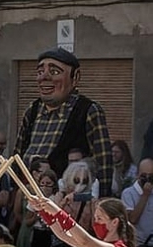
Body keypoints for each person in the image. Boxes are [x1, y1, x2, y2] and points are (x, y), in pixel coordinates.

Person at [14, 48, 114, 197]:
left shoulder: (88, 111)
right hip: (28, 201)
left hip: (66, 205)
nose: (44, 78)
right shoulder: (32, 110)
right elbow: (17, 155)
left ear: (75, 78)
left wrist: (102, 202)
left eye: (54, 72)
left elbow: (103, 164)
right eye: (40, 72)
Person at [121, 159, 153, 247]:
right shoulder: (128, 193)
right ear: (137, 174)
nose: (147, 179)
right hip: (139, 244)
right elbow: (132, 219)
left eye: (150, 176)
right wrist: (145, 195)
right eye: (144, 175)